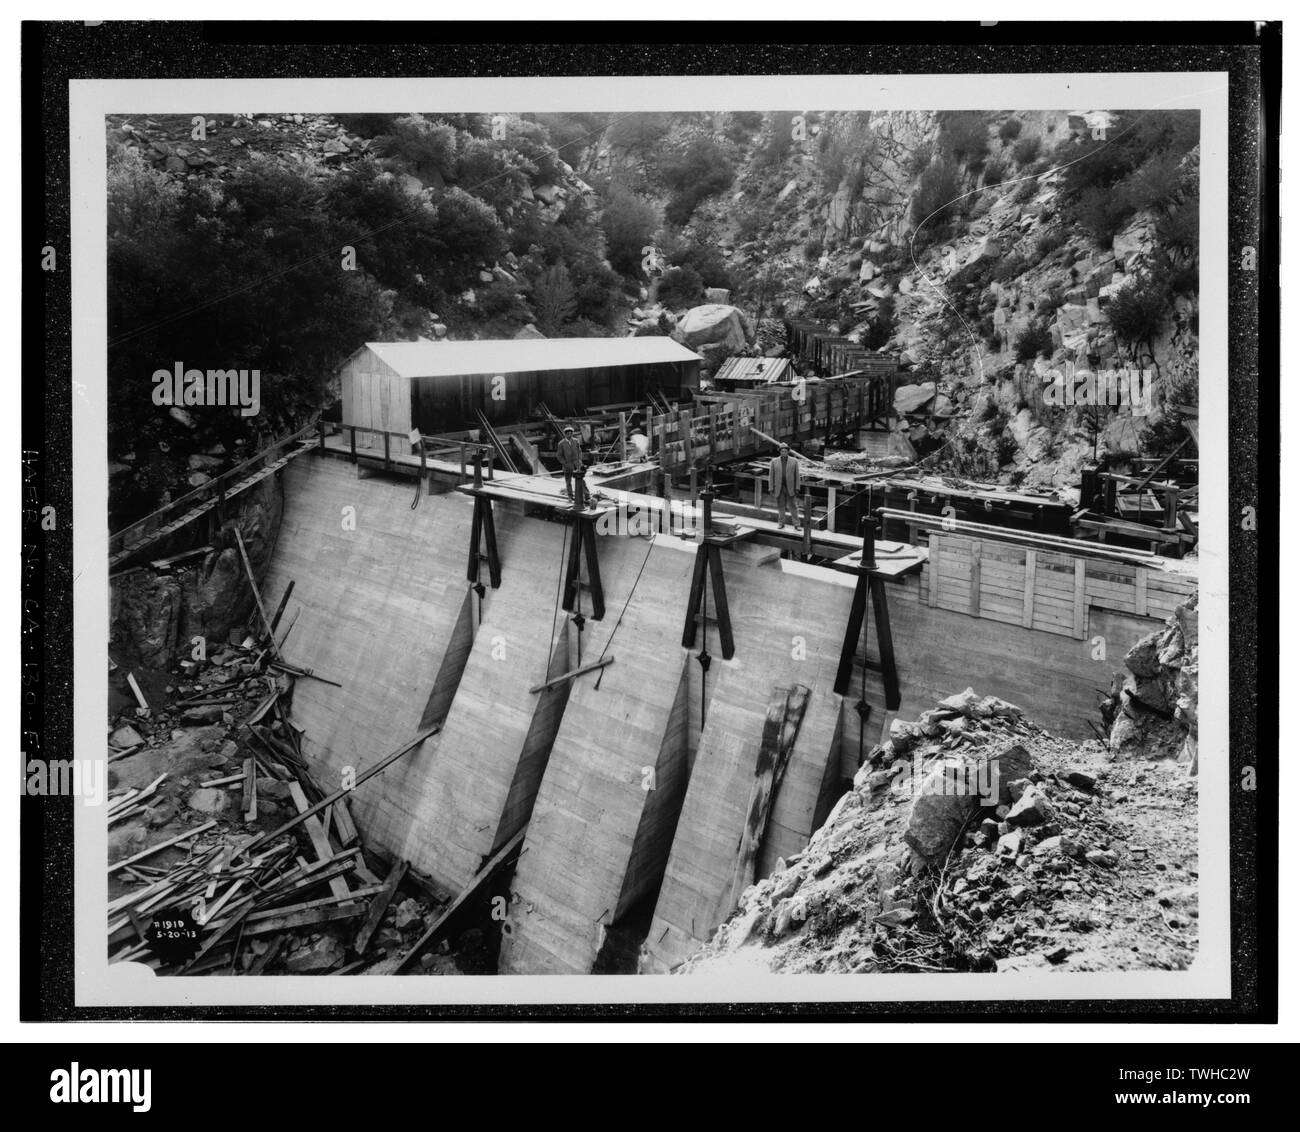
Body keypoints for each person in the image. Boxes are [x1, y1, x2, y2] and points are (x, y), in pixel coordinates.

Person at [768, 443, 800, 528]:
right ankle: (781, 523)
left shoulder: (794, 461)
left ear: (788, 452)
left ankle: (796, 524)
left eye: (785, 451)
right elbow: (771, 476)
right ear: (780, 452)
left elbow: (797, 475)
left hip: (790, 488)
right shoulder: (774, 461)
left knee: (793, 506)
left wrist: (797, 487)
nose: (784, 452)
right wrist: (771, 488)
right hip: (779, 487)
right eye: (782, 451)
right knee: (781, 506)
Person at [557, 425, 587, 507]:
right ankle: (570, 496)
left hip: (576, 464)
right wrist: (565, 463)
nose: (570, 435)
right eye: (568, 434)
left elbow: (579, 451)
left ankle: (587, 495)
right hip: (567, 465)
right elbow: (559, 456)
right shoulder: (561, 444)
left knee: (581, 480)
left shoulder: (576, 441)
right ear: (565, 434)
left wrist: (579, 460)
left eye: (571, 433)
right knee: (568, 481)